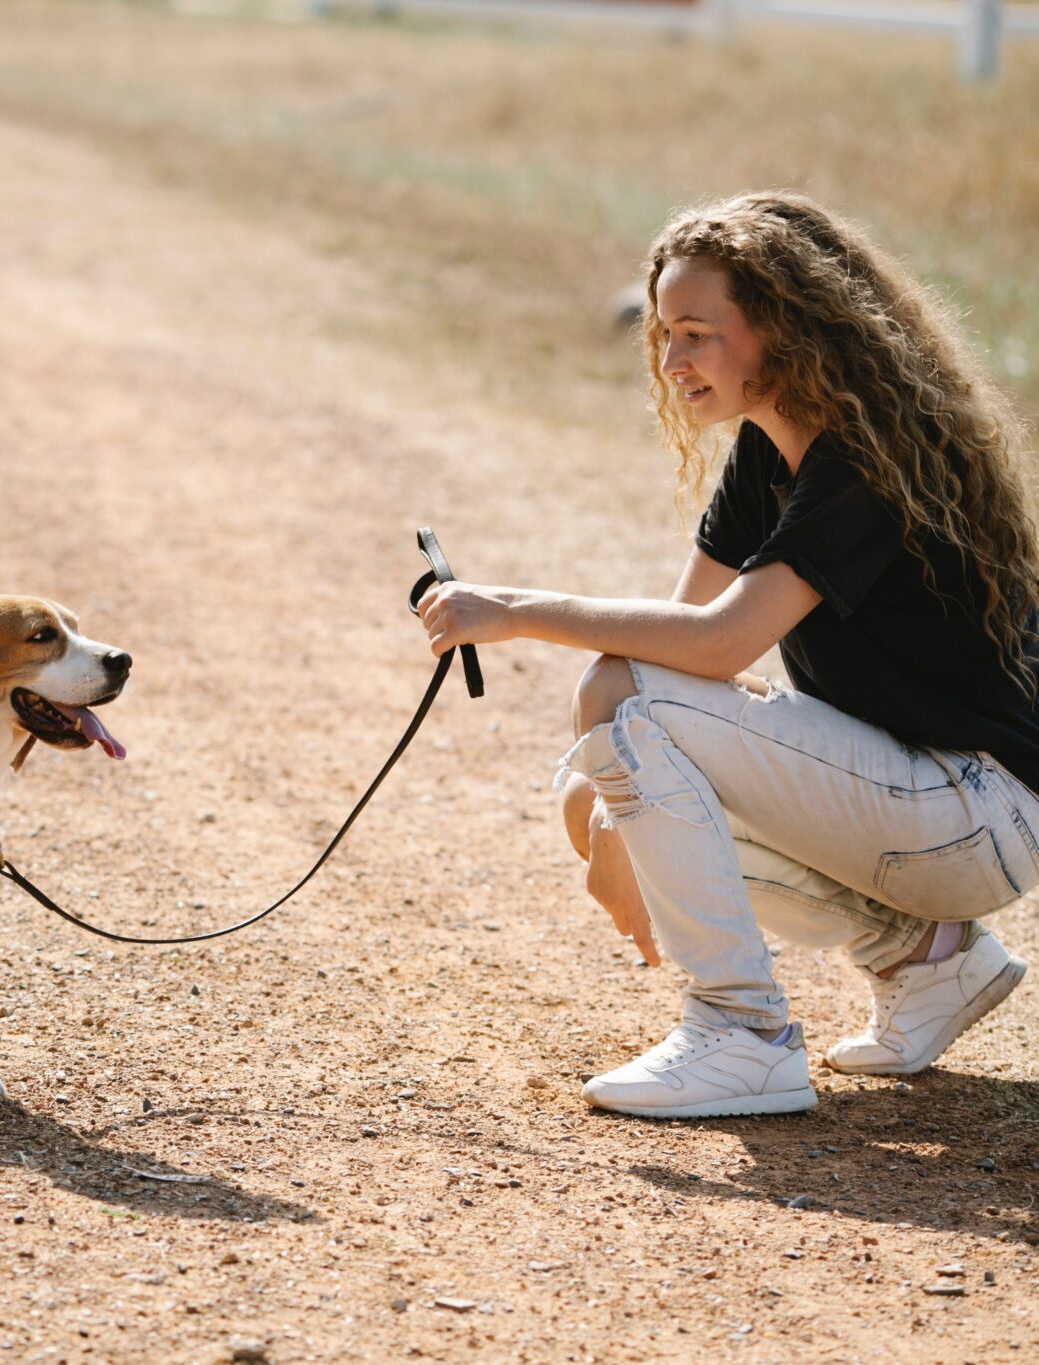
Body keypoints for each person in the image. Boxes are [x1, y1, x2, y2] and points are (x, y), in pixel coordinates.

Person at [416, 190, 1036, 1119]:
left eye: (696, 333)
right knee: (596, 776)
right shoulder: (765, 452)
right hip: (924, 802)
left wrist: (508, 608)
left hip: (981, 809)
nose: (670, 361)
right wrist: (610, 815)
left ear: (786, 331)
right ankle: (927, 959)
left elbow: (714, 646)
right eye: (666, 333)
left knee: (618, 702)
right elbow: (678, 649)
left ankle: (742, 1035)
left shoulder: (864, 461)